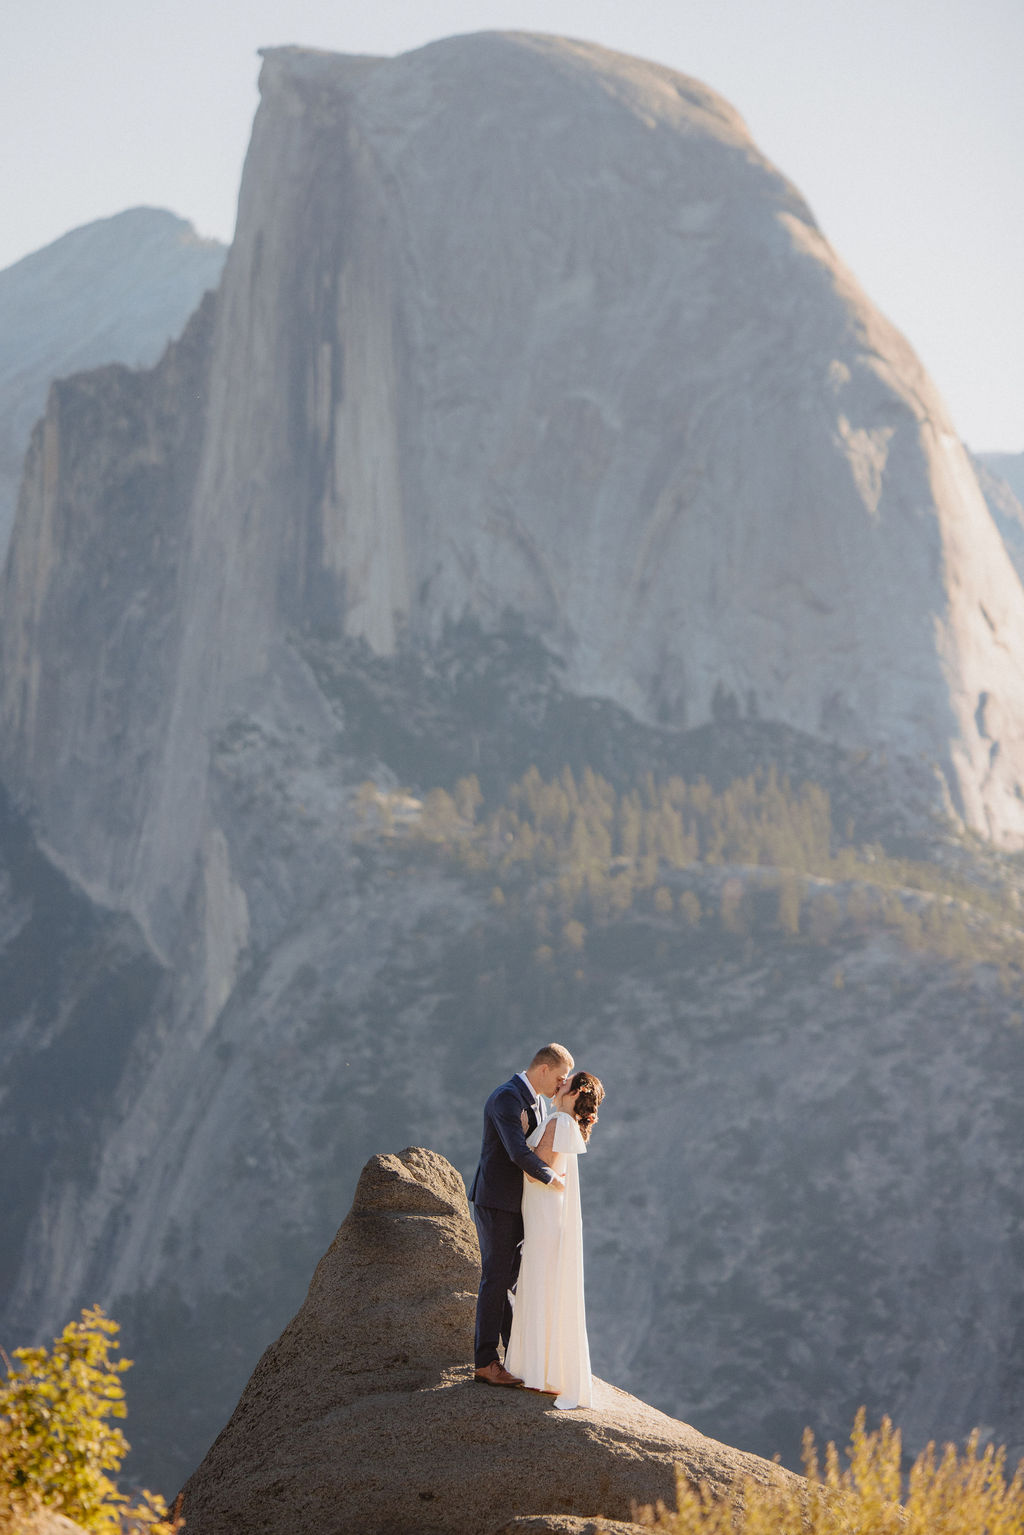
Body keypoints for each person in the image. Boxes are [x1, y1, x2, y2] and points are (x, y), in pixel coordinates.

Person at [469, 1043, 575, 1386]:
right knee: (496, 1279)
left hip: (519, 1204)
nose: (562, 1084)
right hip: (497, 1201)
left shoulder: (539, 1103)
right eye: (560, 1077)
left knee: (513, 1281)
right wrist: (551, 1178)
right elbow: (516, 1152)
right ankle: (486, 1361)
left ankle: (516, 1353)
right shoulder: (506, 1098)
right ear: (543, 1069)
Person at [504, 1070, 605, 1408]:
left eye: (567, 1082)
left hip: (544, 1217)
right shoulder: (561, 1122)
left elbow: (540, 1169)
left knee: (539, 1285)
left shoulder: (559, 1122)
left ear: (575, 1094)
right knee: (543, 1285)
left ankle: (537, 1371)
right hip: (547, 1214)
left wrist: (515, 1138)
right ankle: (545, 1369)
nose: (559, 1084)